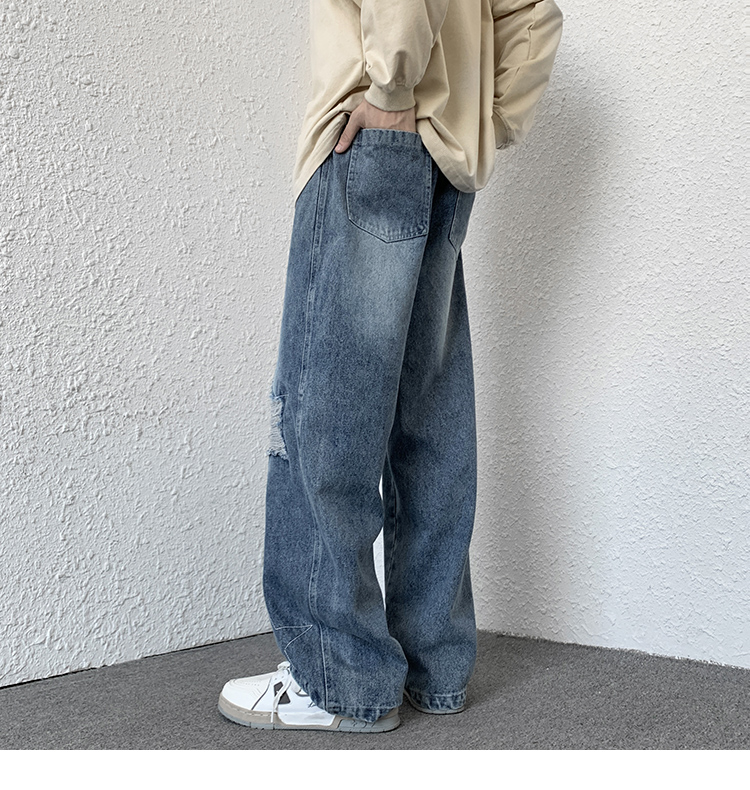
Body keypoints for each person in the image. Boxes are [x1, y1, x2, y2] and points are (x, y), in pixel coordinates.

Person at [219, 0, 563, 732]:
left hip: (370, 140)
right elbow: (534, 14)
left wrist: (391, 90)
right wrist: (479, 124)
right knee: (427, 417)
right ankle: (432, 665)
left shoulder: (388, 99)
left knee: (325, 416)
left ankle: (339, 679)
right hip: (444, 158)